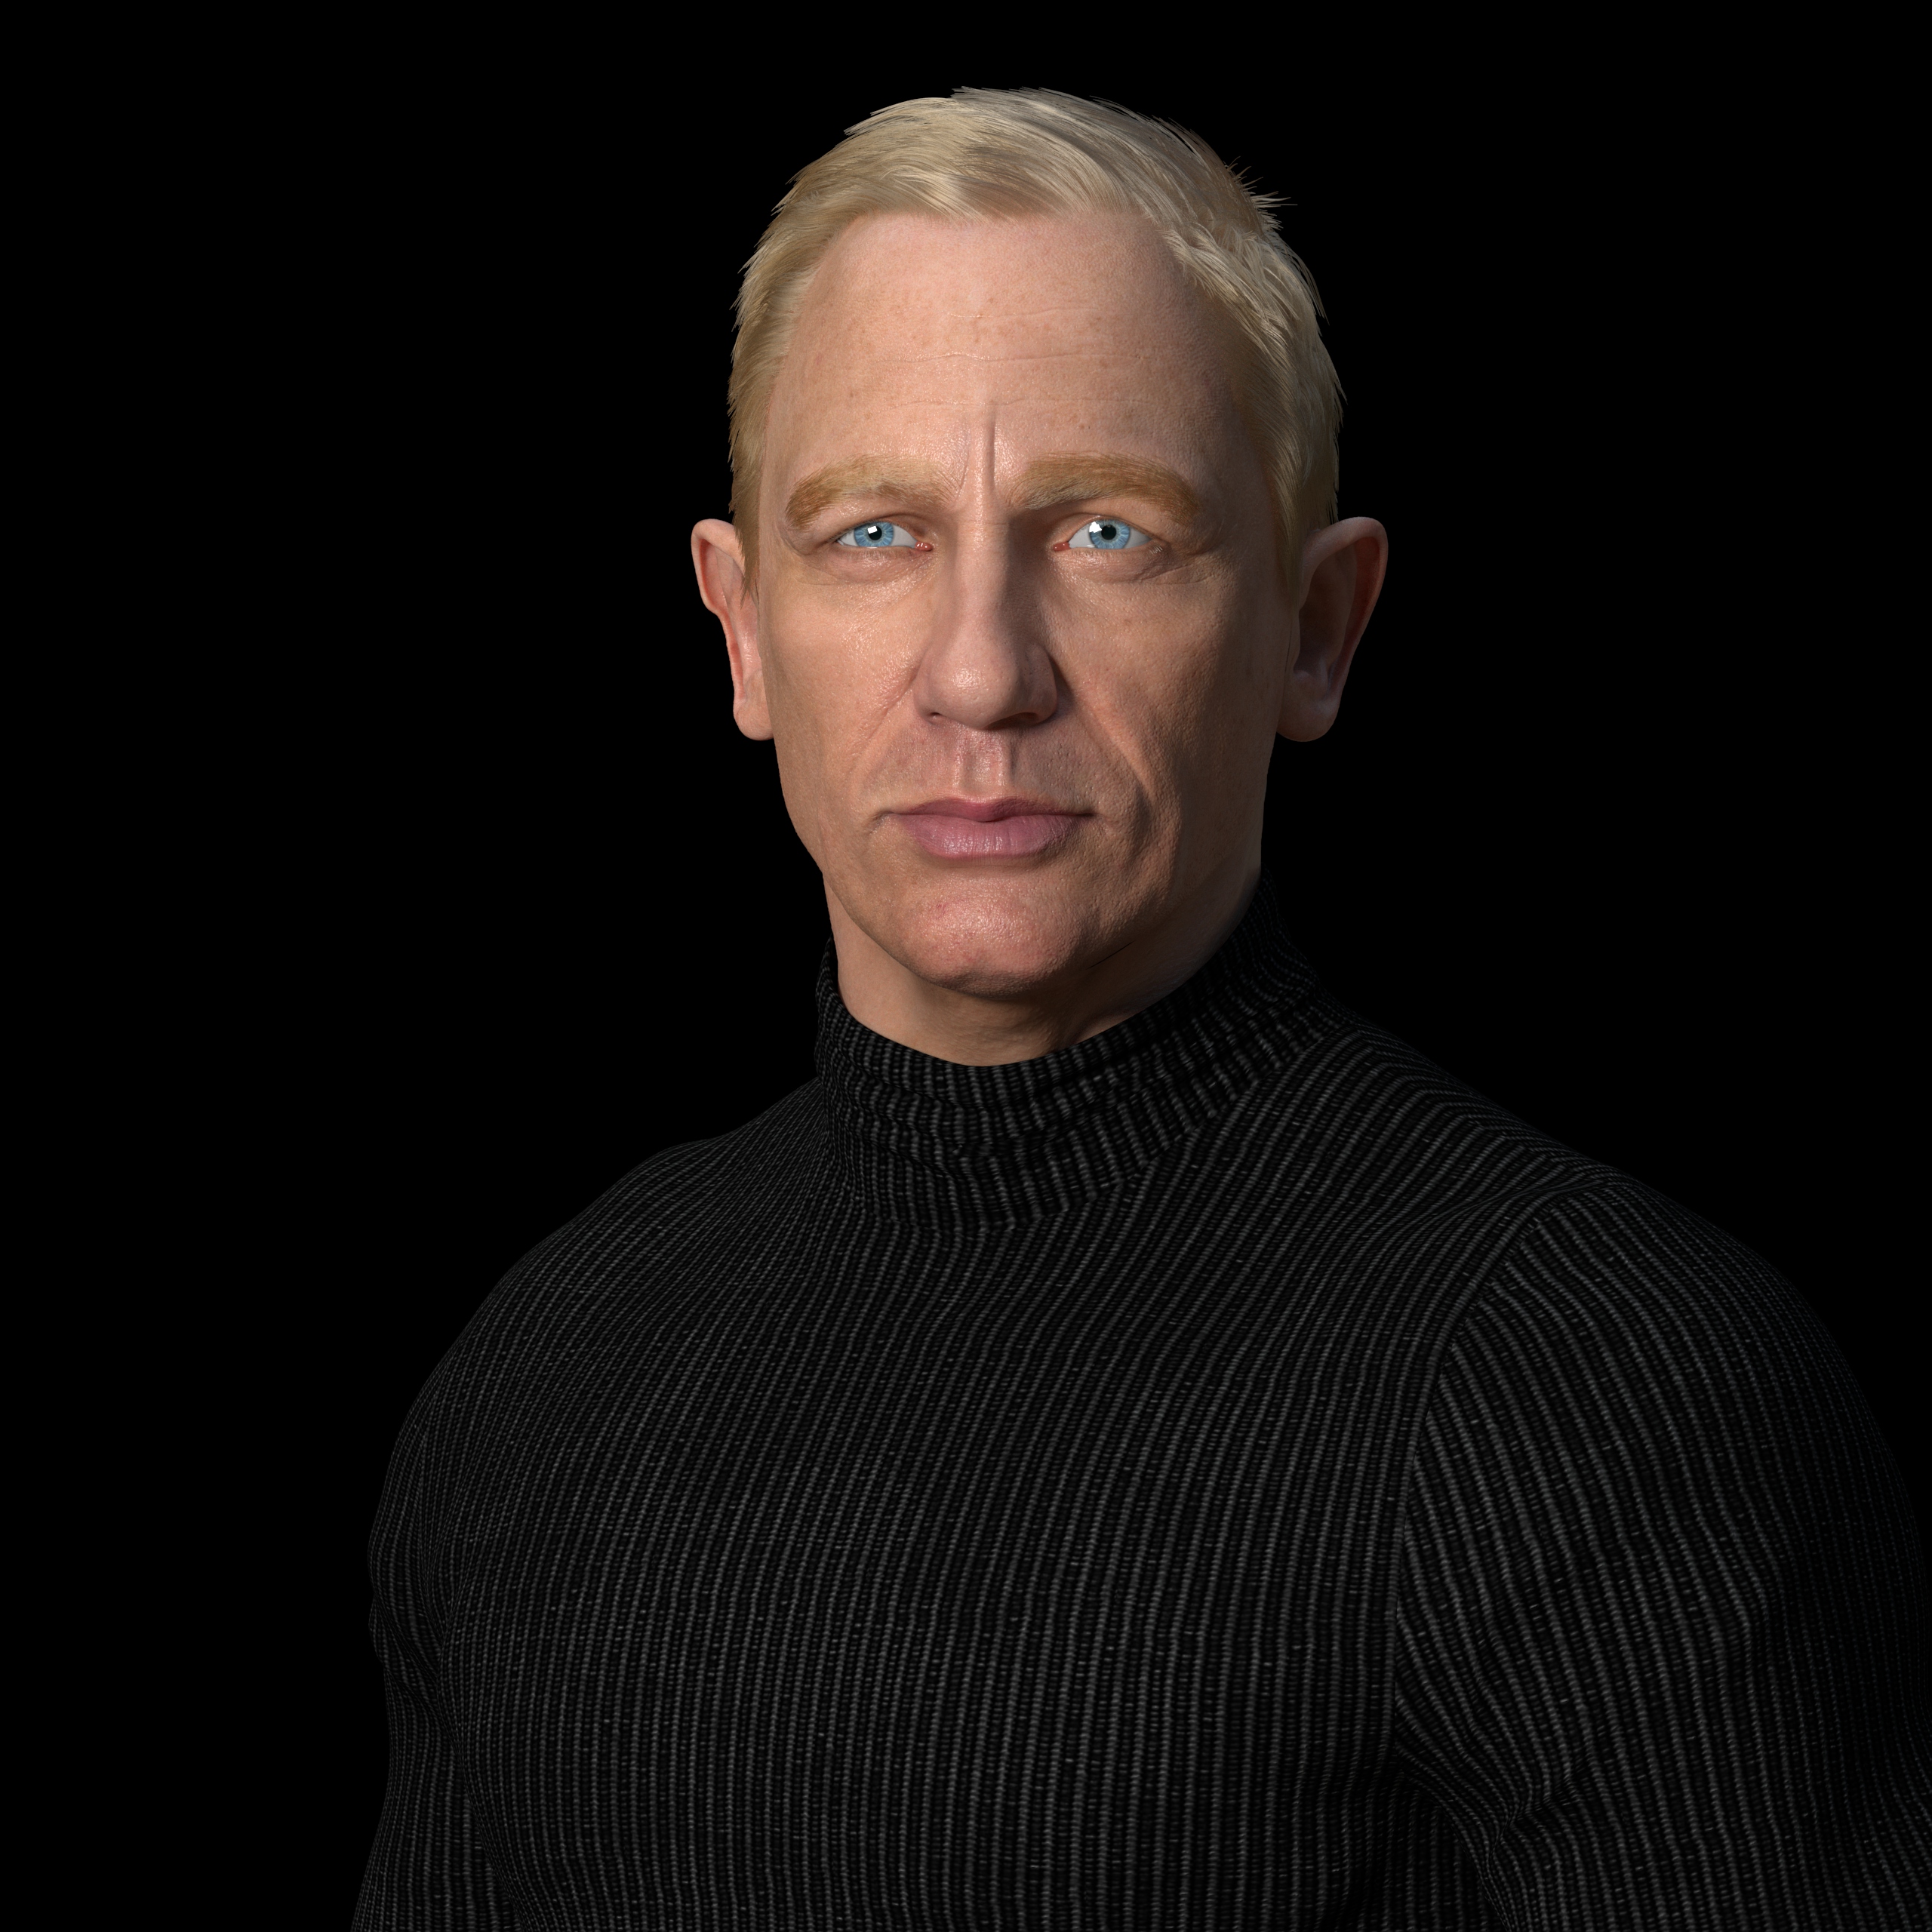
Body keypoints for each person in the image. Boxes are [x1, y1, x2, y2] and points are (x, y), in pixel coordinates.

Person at [356, 90, 1930, 1928]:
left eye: (1107, 531)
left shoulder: (1599, 1389)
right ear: (743, 628)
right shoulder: (544, 1367)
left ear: (1316, 628)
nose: (979, 672)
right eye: (873, 532)